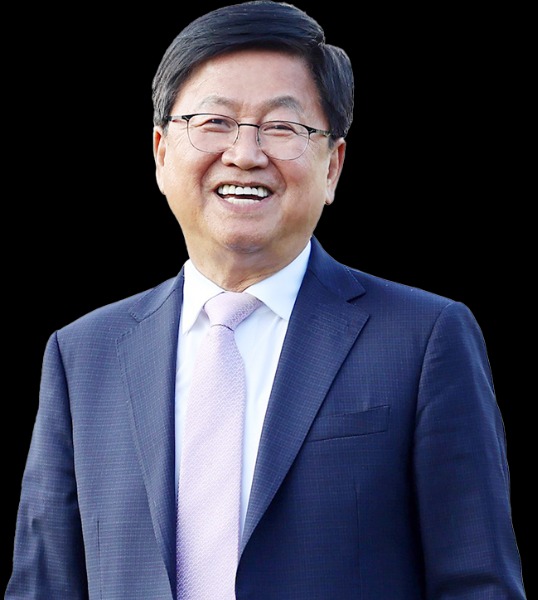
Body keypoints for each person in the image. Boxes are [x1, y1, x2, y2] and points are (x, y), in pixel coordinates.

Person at [6, 1, 526, 598]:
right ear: (161, 152)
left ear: (333, 167)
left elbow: (476, 583)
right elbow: (44, 584)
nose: (246, 154)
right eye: (214, 122)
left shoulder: (423, 338)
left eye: (282, 127)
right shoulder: (84, 354)